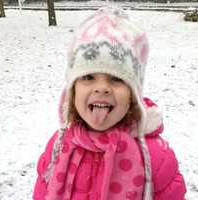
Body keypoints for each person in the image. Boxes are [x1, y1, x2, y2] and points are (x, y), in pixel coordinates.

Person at [33, 7, 186, 200]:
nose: (102, 88)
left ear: (133, 94)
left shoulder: (156, 157)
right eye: (88, 77)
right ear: (72, 91)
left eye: (116, 78)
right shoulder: (58, 146)